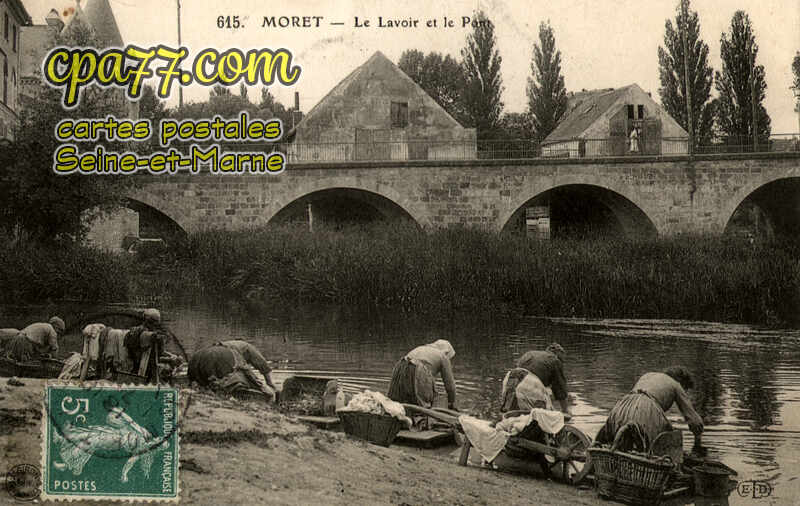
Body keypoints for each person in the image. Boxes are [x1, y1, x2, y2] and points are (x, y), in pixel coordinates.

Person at [594, 366, 704, 451]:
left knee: (627, 440)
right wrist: (697, 440)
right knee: (667, 435)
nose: (685, 392)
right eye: (685, 389)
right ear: (682, 382)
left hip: (622, 407)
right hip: (645, 409)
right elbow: (693, 418)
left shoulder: (648, 375)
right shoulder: (676, 385)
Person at [188, 340, 276, 401]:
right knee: (239, 380)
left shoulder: (228, 344)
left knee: (205, 382)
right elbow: (262, 365)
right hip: (221, 355)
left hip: (198, 355)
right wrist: (269, 384)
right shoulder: (246, 346)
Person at [386, 339, 457, 410]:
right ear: (446, 352)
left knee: (397, 401)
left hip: (401, 366)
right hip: (419, 370)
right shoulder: (443, 356)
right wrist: (451, 403)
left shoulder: (421, 348)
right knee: (425, 403)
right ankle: (423, 417)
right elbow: (450, 386)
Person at [515, 343, 570, 415]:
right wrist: (565, 411)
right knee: (543, 415)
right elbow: (560, 389)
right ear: (558, 354)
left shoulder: (530, 353)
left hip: (511, 379)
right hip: (529, 383)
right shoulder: (555, 360)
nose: (562, 362)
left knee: (516, 414)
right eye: (562, 359)